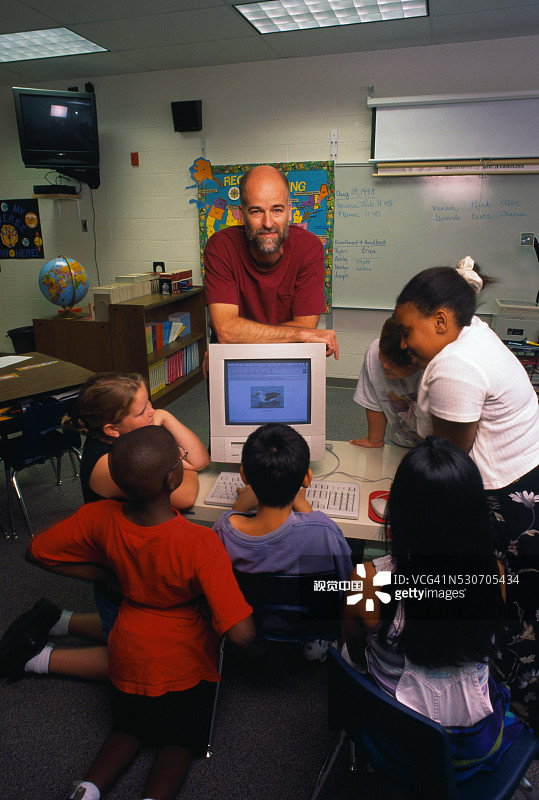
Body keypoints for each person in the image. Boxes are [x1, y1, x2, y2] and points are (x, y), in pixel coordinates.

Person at [24, 426, 255, 800]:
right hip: (183, 662)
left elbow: (36, 552)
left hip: (128, 650)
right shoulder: (200, 542)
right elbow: (243, 635)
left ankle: (88, 789)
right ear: (172, 478)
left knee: (129, 727)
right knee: (178, 742)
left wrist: (106, 572)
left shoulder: (97, 516)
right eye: (180, 459)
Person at [393, 257, 539, 726]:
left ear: (440, 321)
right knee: (517, 595)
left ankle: (513, 696)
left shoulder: (455, 366)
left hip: (506, 496)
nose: (403, 342)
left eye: (408, 329)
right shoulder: (472, 331)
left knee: (506, 599)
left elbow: (447, 470)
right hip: (527, 474)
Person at [0, 372, 210, 683]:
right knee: (141, 662)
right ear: (112, 429)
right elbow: (184, 491)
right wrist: (177, 461)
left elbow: (200, 461)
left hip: (134, 562)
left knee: (130, 623)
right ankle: (36, 658)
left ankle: (60, 620)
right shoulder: (112, 464)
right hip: (122, 571)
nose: (152, 411)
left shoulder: (137, 436)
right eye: (142, 411)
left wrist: (164, 419)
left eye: (150, 403)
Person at [343, 436, 523, 778]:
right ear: (474, 513)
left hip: (399, 746)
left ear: (399, 512)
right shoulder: (494, 574)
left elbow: (354, 650)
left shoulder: (366, 579)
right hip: (476, 747)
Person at [213, 423, 353, 660]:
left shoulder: (222, 531)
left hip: (255, 626)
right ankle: (316, 642)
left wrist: (238, 506)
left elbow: (229, 523)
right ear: (307, 478)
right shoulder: (324, 531)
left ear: (244, 474)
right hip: (308, 626)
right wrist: (305, 507)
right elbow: (347, 586)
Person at [203, 164, 339, 359]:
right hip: (232, 361)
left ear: (289, 211)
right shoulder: (220, 247)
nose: (268, 223)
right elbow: (227, 331)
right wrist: (299, 333)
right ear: (242, 215)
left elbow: (307, 327)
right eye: (256, 212)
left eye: (277, 210)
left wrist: (237, 337)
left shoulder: (309, 248)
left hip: (286, 359)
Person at [350, 316, 422, 449]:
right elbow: (375, 402)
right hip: (402, 443)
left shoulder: (436, 369)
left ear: (418, 362)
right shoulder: (374, 352)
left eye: (395, 363)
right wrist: (374, 440)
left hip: (437, 450)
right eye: (384, 355)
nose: (386, 366)